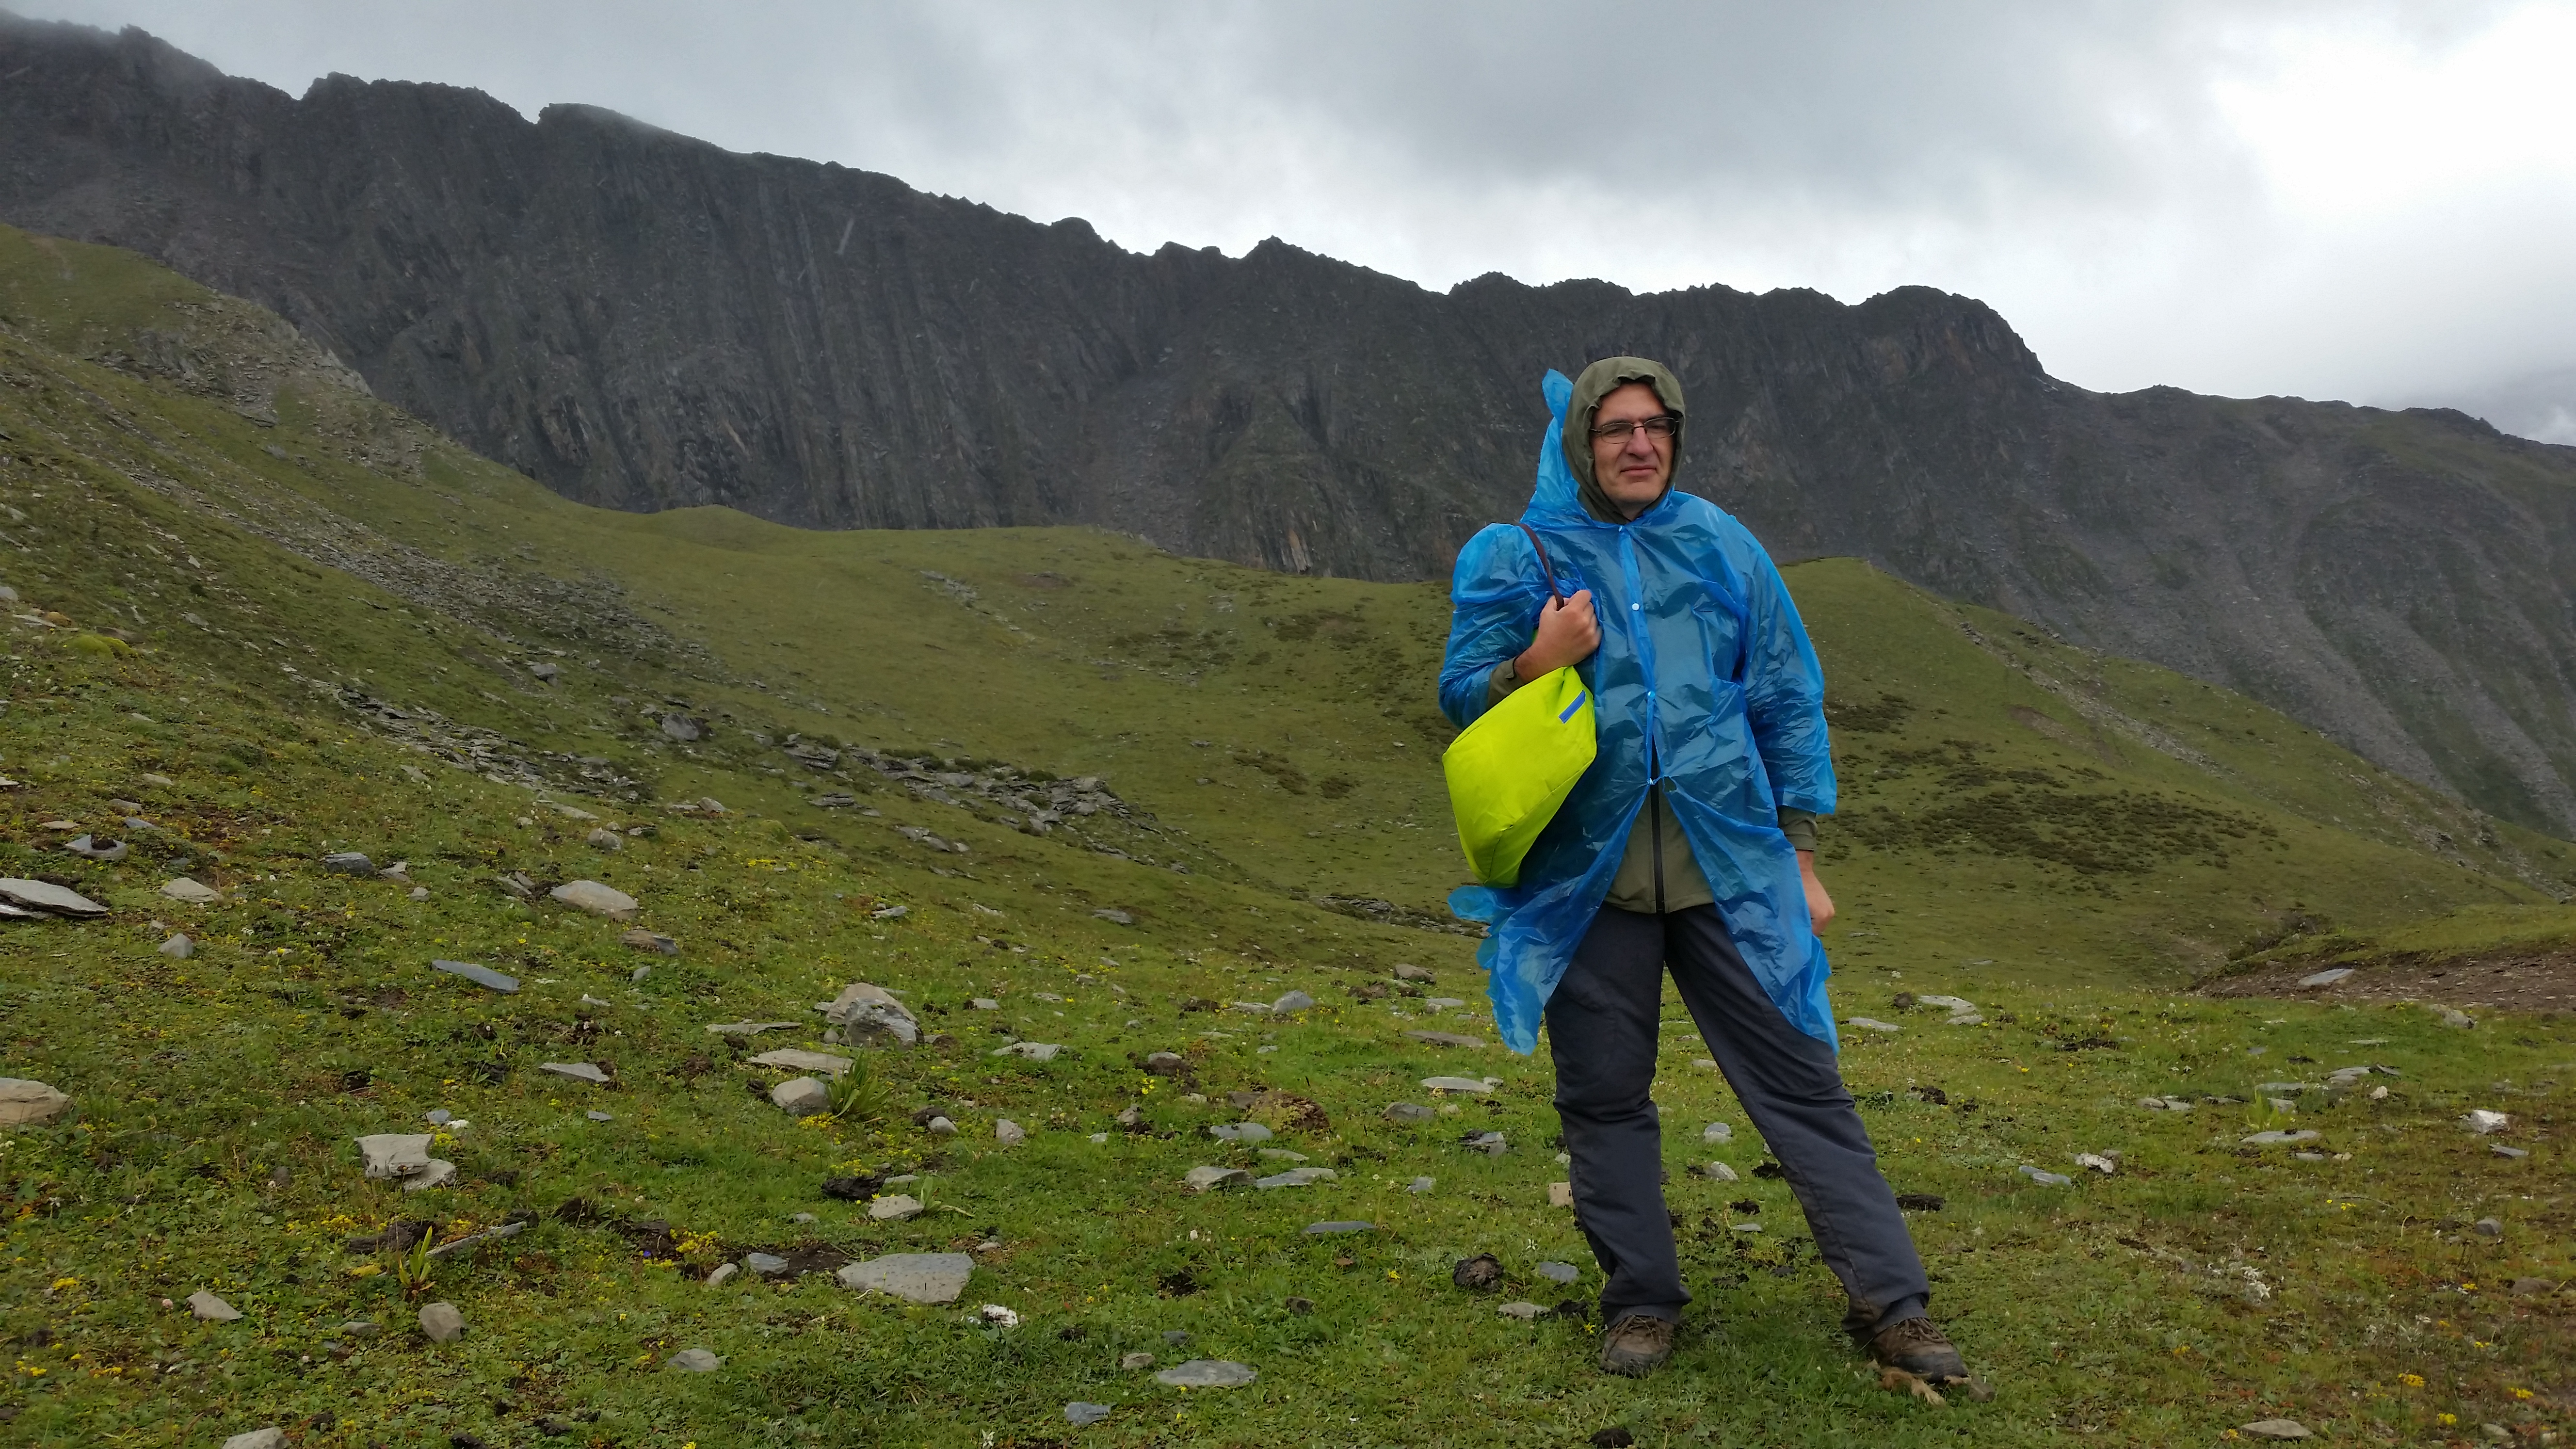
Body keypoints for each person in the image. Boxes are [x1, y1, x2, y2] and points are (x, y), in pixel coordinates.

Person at [1439, 357, 1973, 1386]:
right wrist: (1535, 662)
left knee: (1802, 1085)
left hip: (1729, 862)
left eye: (1655, 427)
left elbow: (1783, 694)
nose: (1639, 445)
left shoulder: (1722, 542)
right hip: (1584, 878)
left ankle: (1893, 1309)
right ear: (1579, 445)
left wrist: (1802, 855)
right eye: (1616, 430)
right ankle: (1640, 1302)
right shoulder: (1518, 553)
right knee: (1603, 1096)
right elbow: (1460, 694)